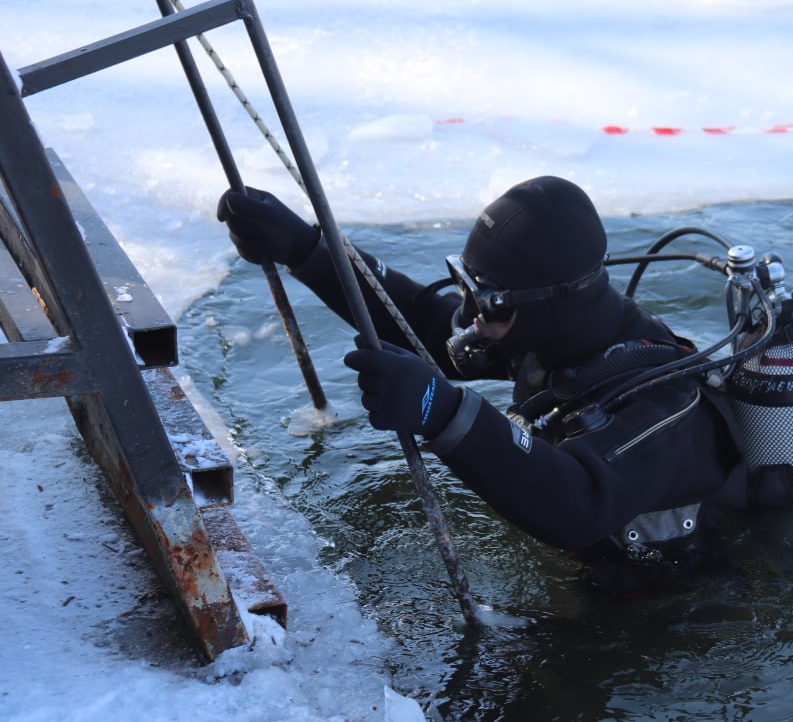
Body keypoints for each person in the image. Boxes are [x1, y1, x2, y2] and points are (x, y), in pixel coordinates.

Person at [217, 176, 747, 565]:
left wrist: (441, 409)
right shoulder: (551, 336)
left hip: (676, 606)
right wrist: (308, 250)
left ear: (551, 304)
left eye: (488, 300)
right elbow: (429, 328)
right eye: (467, 285)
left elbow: (578, 505)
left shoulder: (663, 406)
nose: (470, 314)